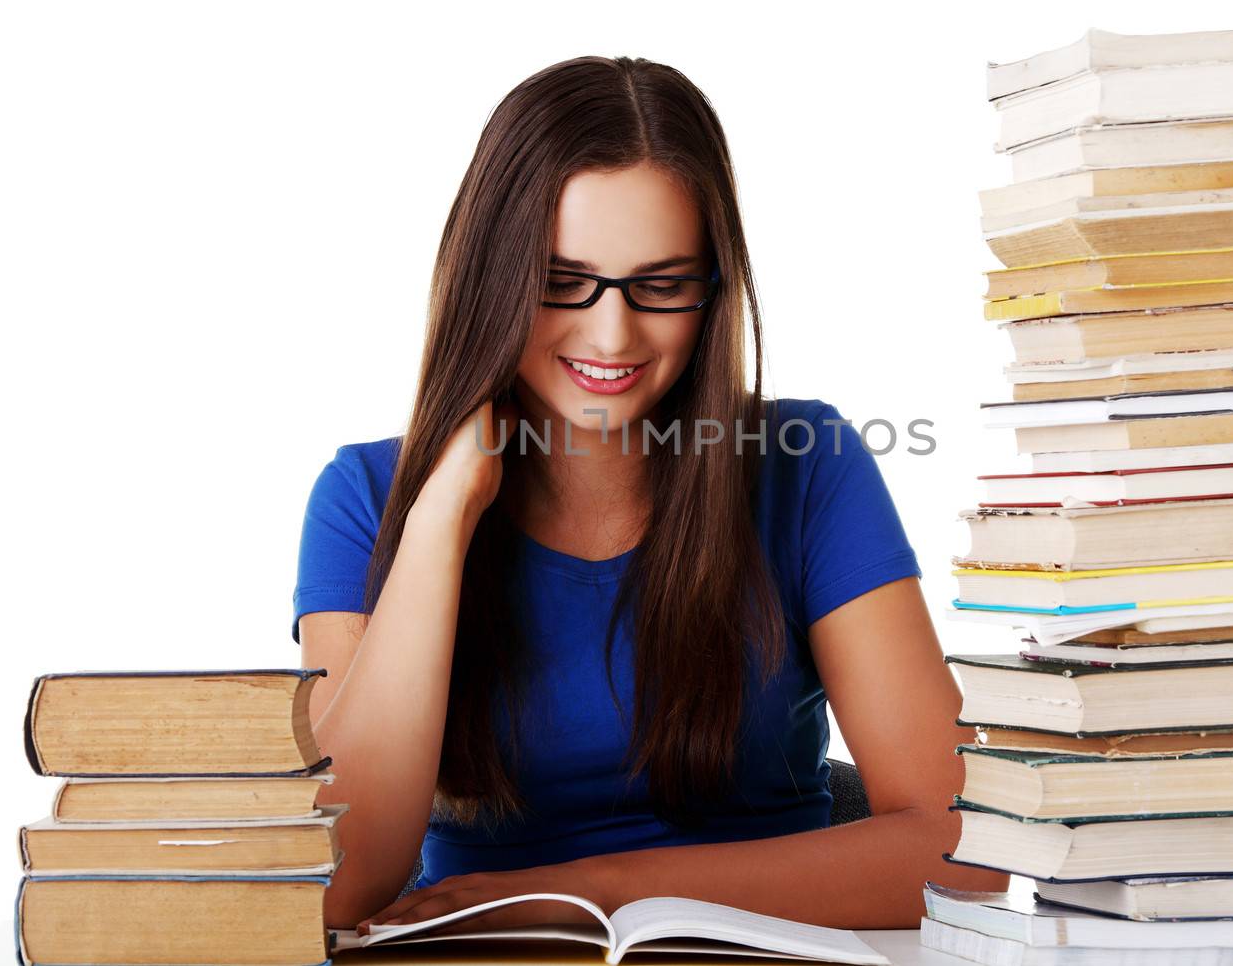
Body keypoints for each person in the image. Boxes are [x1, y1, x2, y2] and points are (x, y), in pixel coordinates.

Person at [292, 55, 1006, 934]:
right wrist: (441, 517)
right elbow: (337, 884)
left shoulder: (806, 462)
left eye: (661, 286)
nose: (612, 332)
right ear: (493, 279)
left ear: (713, 289)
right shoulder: (364, 496)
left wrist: (596, 890)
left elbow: (963, 850)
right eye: (561, 282)